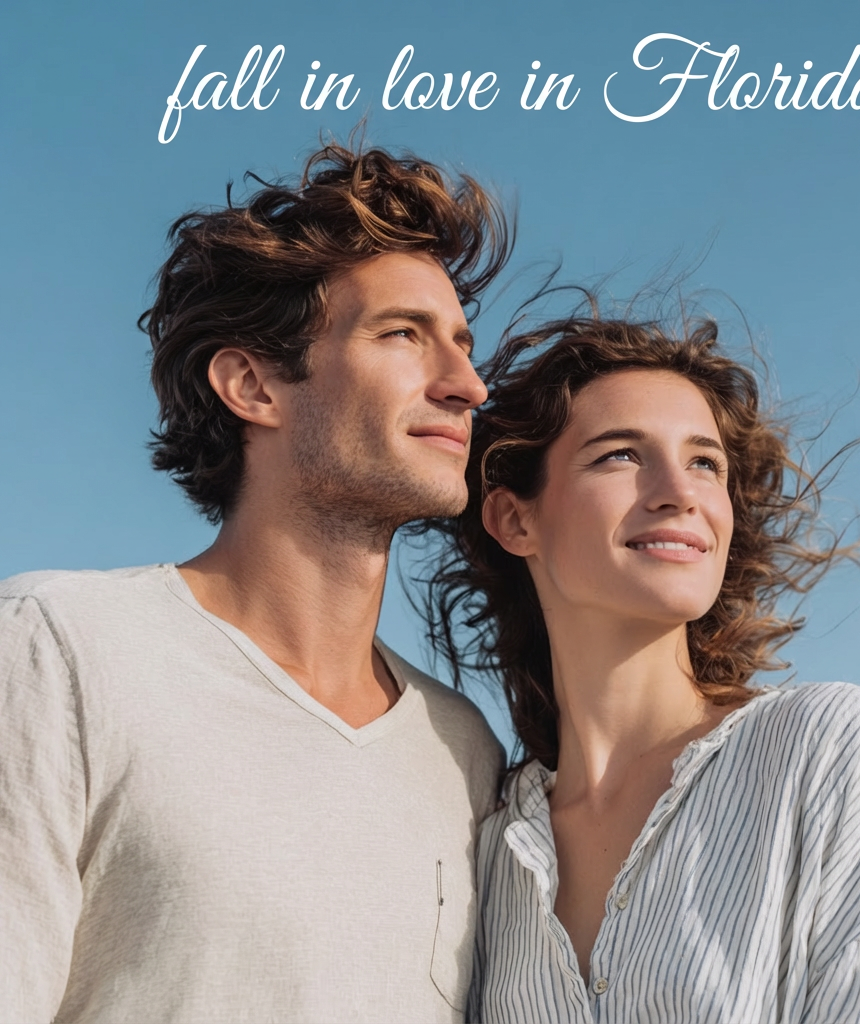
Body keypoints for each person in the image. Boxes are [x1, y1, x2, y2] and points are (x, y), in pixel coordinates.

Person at [0, 143, 511, 1023]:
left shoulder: (463, 750)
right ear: (252, 384)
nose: (468, 384)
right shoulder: (61, 647)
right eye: (403, 335)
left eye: (462, 344)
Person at [424, 314, 860, 1023]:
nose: (678, 491)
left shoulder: (830, 749)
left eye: (705, 463)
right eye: (620, 456)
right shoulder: (495, 842)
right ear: (515, 520)